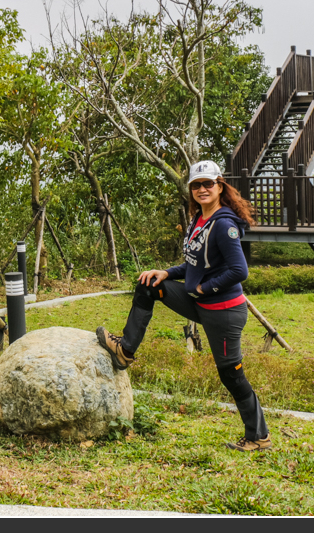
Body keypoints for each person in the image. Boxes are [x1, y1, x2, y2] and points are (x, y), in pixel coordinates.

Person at [96, 160, 270, 452]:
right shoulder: (199, 220)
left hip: (224, 314)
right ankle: (125, 350)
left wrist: (204, 288)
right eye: (196, 185)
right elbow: (194, 263)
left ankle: (258, 436)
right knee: (148, 285)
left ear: (220, 186)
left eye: (208, 184)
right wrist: (167, 273)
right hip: (199, 305)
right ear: (191, 189)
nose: (202, 189)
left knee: (231, 374)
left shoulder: (224, 224)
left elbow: (239, 270)